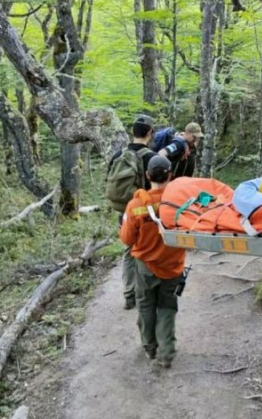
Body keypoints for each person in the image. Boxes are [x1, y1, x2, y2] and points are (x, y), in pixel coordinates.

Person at [120, 155, 186, 369]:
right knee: (167, 306)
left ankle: (150, 347)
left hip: (145, 266)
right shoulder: (180, 202)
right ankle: (166, 352)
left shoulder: (136, 205)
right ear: (171, 174)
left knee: (146, 305)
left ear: (147, 176)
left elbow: (127, 239)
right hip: (173, 265)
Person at [107, 115, 156, 310]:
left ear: (132, 132)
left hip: (124, 212)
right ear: (150, 133)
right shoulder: (151, 157)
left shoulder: (118, 154)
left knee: (129, 251)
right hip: (144, 212)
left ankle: (129, 294)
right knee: (147, 250)